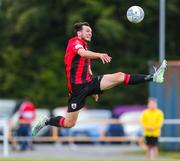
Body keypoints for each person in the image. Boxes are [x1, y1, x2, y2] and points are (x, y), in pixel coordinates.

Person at [32, 21, 167, 136]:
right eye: (87, 31)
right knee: (69, 123)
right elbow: (83, 54)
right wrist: (99, 55)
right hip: (77, 89)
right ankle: (46, 121)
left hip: (89, 83)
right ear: (79, 33)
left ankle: (153, 77)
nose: (90, 33)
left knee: (119, 76)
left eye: (91, 31)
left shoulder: (86, 46)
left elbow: (88, 68)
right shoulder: (74, 42)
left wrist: (94, 90)